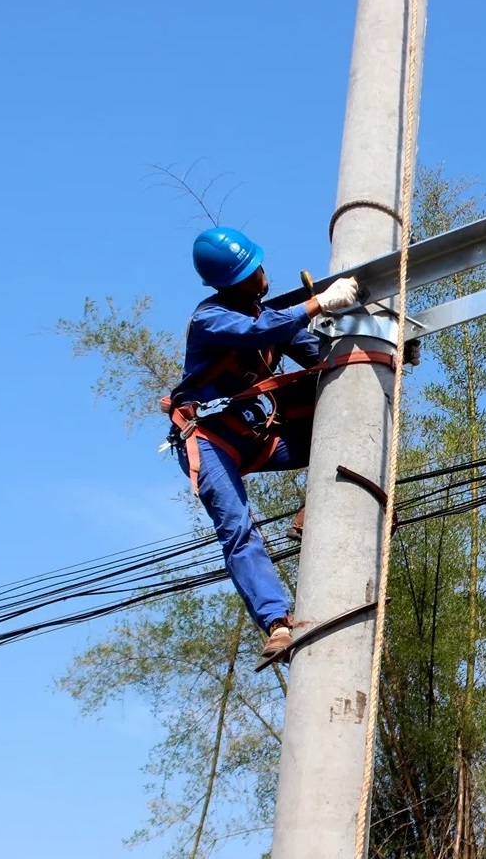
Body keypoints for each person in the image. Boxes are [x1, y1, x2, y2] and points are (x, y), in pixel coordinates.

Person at [166, 227, 359, 656]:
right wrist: (316, 304)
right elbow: (260, 333)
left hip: (264, 433)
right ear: (229, 284)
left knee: (345, 408)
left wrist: (373, 351)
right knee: (237, 529)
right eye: (249, 275)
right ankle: (276, 622)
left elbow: (320, 361)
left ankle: (317, 506)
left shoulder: (271, 318)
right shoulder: (210, 319)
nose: (261, 278)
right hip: (212, 441)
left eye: (258, 268)